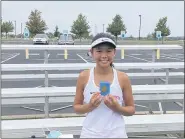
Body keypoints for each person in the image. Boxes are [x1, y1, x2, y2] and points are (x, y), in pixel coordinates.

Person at [73, 33, 135, 138]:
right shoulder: (84, 76)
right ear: (91, 52)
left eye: (109, 51)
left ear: (114, 52)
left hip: (116, 133)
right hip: (90, 133)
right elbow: (76, 108)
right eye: (99, 51)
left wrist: (117, 108)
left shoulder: (122, 78)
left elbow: (131, 109)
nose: (104, 55)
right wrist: (90, 106)